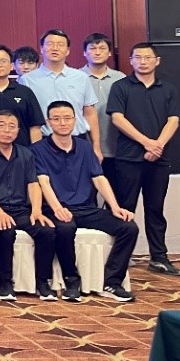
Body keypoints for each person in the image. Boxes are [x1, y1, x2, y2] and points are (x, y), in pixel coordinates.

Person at [33, 100, 139, 302]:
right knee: (65, 228)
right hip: (56, 208)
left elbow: (99, 178)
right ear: (48, 122)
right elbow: (43, 182)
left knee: (129, 227)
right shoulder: (37, 149)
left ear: (75, 120)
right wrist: (57, 208)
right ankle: (72, 280)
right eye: (57, 119)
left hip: (86, 208)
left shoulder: (84, 147)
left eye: (67, 118)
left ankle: (112, 282)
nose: (63, 123)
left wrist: (115, 207)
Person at [106, 43, 180, 276]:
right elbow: (117, 119)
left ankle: (159, 257)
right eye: (137, 57)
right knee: (125, 209)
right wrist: (147, 143)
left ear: (157, 61)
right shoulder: (121, 86)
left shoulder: (168, 88)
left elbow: (173, 120)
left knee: (155, 209)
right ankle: (121, 258)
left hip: (159, 160)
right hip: (128, 159)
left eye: (147, 57)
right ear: (131, 61)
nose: (143, 61)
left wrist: (157, 146)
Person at [0, 108, 57, 301]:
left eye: (12, 126)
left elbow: (33, 184)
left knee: (47, 231)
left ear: (18, 130)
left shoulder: (26, 154)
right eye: (1, 125)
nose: (7, 130)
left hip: (20, 209)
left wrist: (36, 210)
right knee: (5, 230)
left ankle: (43, 282)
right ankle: (5, 282)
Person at [20, 29, 102, 160]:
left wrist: (96, 146)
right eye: (50, 44)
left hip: (78, 140)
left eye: (60, 44)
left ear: (68, 51)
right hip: (44, 142)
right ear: (41, 49)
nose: (55, 48)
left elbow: (90, 113)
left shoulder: (81, 77)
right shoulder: (27, 80)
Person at [83, 33, 126, 183]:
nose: (97, 52)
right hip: (85, 147)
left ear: (109, 53)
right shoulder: (76, 78)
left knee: (115, 192)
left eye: (102, 48)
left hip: (115, 147)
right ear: (84, 53)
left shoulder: (121, 78)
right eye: (92, 48)